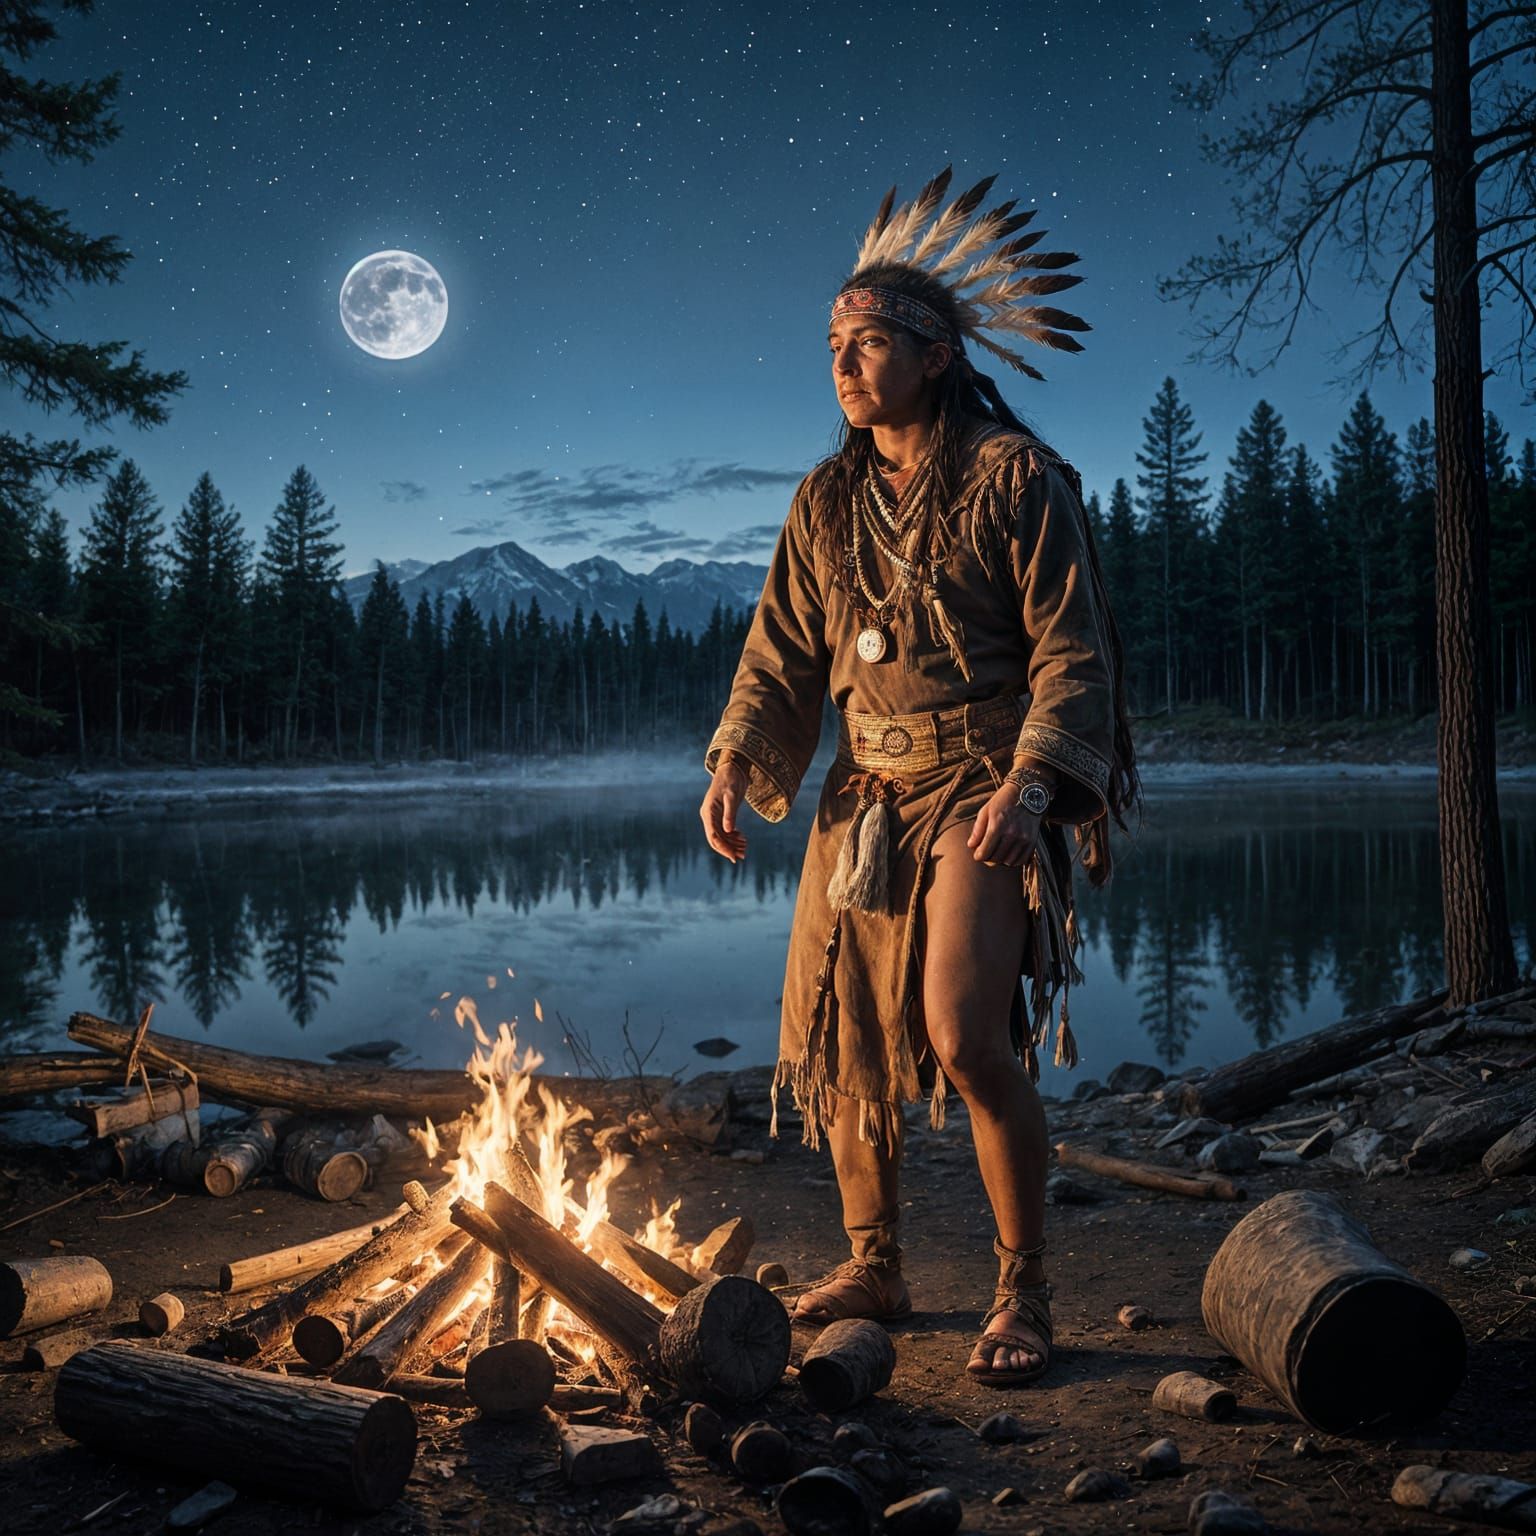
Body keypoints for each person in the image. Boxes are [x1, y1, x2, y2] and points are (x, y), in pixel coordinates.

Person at [698, 168, 1139, 1387]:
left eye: (871, 341)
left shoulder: (1012, 476)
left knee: (960, 1032)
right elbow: (783, 649)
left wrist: (1036, 785)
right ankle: (876, 1260)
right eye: (834, 343)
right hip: (862, 798)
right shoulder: (826, 501)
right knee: (842, 1041)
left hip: (983, 787)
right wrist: (738, 758)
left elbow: (1073, 651)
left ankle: (1025, 1285)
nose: (844, 363)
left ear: (937, 353)